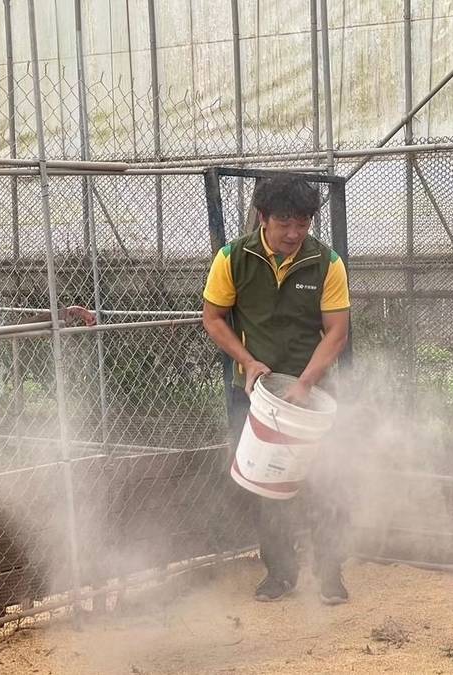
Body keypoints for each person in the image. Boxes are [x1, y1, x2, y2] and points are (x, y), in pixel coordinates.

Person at [201, 174, 352, 605]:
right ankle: (280, 573)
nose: (293, 233)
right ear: (262, 217)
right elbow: (213, 318)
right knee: (266, 481)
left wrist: (305, 383)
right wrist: (247, 363)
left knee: (326, 480)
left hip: (315, 394)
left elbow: (336, 332)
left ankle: (330, 573)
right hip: (254, 392)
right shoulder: (233, 258)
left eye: (303, 223)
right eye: (284, 222)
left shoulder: (327, 263)